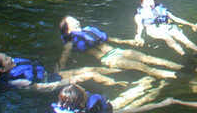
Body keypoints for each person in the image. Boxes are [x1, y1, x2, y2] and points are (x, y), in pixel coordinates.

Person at [59, 16, 188, 80]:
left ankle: (180, 67)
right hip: (108, 59)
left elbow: (110, 39)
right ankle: (174, 75)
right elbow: (64, 57)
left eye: (75, 20)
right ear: (67, 31)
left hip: (117, 51)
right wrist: (61, 69)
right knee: (140, 66)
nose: (76, 22)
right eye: (71, 22)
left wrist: (129, 42)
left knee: (148, 58)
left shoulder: (90, 31)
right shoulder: (70, 43)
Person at [51, 78, 173, 113]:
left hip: (107, 109)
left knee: (128, 96)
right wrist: (161, 104)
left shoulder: (65, 106)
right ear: (82, 102)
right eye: (84, 92)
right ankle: (161, 86)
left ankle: (150, 83)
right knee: (137, 105)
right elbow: (132, 110)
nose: (85, 91)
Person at [0, 52, 126, 92]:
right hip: (48, 84)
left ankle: (118, 70)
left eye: (7, 56)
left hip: (48, 75)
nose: (10, 58)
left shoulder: (14, 65)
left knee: (89, 69)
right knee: (90, 75)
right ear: (2, 69)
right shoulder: (16, 80)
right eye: (6, 59)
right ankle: (120, 84)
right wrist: (66, 82)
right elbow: (39, 87)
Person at [133, 0, 197, 57]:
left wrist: (191, 24)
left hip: (167, 26)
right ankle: (183, 54)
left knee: (184, 38)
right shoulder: (139, 14)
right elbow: (140, 27)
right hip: (153, 29)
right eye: (147, 1)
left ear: (154, 1)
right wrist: (138, 36)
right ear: (142, 4)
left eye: (151, 1)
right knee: (168, 38)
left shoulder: (161, 8)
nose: (149, 3)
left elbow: (175, 18)